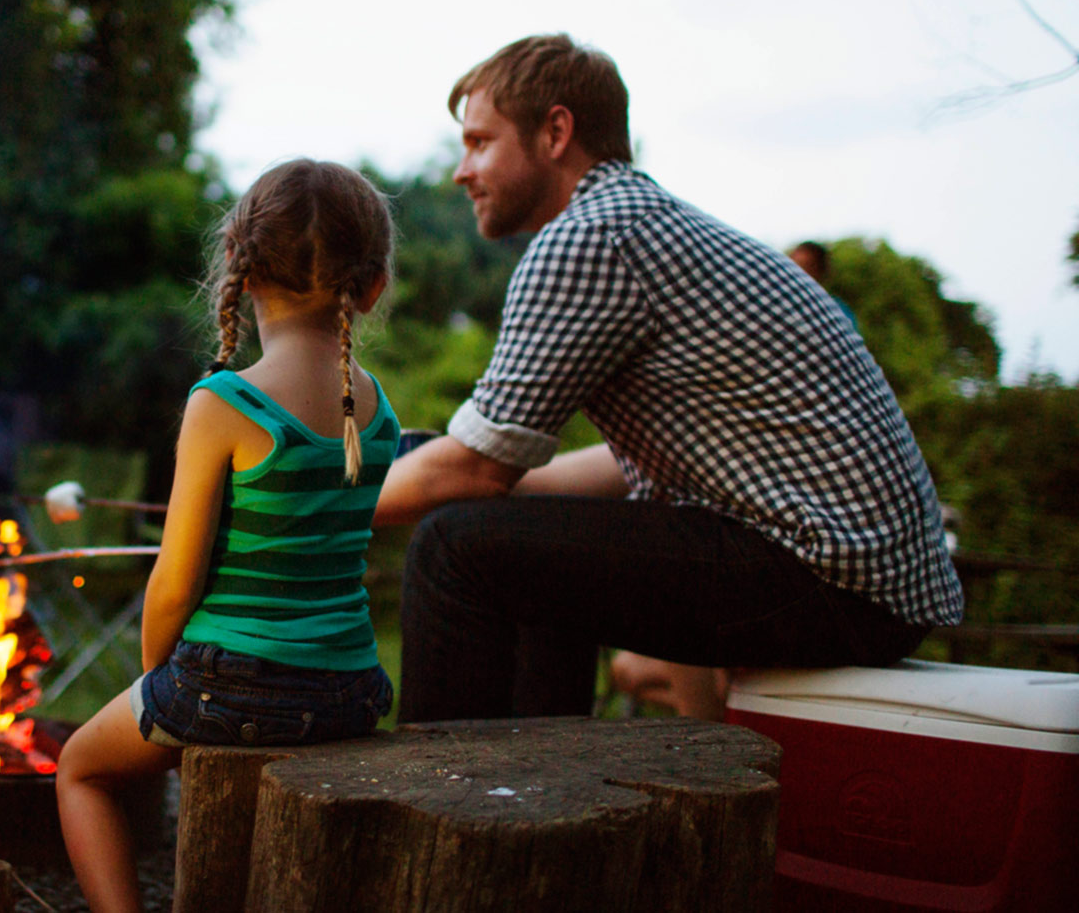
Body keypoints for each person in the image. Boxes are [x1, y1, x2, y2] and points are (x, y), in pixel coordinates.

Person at [375, 35, 962, 724]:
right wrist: (482, 479)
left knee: (455, 547)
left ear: (556, 132)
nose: (460, 170)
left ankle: (447, 800)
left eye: (479, 142)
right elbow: (600, 470)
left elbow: (470, 469)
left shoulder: (592, 236)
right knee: (518, 534)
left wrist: (308, 498)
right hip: (869, 583)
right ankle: (530, 788)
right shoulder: (641, 224)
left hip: (833, 577)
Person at [57, 158, 400, 913]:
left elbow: (174, 580)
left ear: (241, 276)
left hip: (227, 681)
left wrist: (159, 678)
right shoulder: (378, 414)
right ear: (371, 287)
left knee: (79, 768)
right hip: (351, 689)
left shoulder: (224, 402)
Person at [606, 237, 867, 720]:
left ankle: (714, 727)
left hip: (807, 564)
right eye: (793, 267)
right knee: (629, 666)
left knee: (677, 573)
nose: (799, 275)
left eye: (808, 269)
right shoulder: (760, 324)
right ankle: (721, 719)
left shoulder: (827, 324)